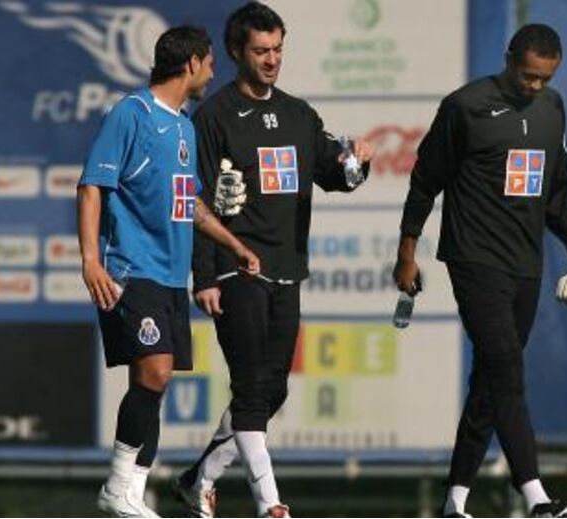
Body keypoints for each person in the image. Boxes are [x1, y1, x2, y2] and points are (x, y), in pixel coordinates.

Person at [393, 24, 567, 518]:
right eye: (528, 76)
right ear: (510, 59)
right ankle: (535, 496)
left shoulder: (553, 109)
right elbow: (425, 180)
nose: (534, 87)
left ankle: (454, 502)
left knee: (491, 383)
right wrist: (408, 250)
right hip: (474, 258)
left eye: (544, 79)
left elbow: (557, 197)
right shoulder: (465, 106)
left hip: (524, 264)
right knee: (507, 367)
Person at [170, 3, 374, 518]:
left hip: (287, 269)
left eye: (278, 49)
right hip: (237, 270)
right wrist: (206, 275)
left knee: (272, 388)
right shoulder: (212, 117)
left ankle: (200, 477)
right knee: (251, 385)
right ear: (237, 51)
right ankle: (270, 504)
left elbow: (336, 174)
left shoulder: (299, 114)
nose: (272, 59)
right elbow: (197, 204)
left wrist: (358, 163)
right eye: (261, 50)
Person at [78, 26, 260, 518]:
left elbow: (192, 203)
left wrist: (232, 242)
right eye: (208, 62)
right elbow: (93, 186)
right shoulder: (130, 114)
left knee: (155, 382)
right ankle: (117, 486)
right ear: (191, 65)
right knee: (154, 370)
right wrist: (91, 259)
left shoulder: (184, 125)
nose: (212, 71)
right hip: (129, 270)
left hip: (170, 276)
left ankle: (131, 493)